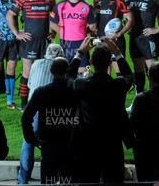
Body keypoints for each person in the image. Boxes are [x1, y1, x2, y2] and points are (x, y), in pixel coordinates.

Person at [66, 37, 134, 183]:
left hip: (88, 144)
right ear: (110, 63)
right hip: (112, 144)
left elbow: (68, 76)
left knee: (87, 181)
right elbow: (129, 76)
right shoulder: (118, 85)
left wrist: (80, 53)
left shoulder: (82, 85)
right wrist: (117, 52)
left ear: (91, 63)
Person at [22, 56, 77, 184]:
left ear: (51, 71)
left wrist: (32, 140)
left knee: (48, 182)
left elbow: (26, 116)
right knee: (68, 182)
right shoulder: (74, 90)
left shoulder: (42, 91)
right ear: (67, 69)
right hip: (69, 144)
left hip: (49, 145)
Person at [6, 0, 56, 108]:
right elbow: (10, 15)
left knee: (46, 72)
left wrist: (54, 32)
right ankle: (24, 104)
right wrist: (17, 33)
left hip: (44, 42)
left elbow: (55, 18)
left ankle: (43, 101)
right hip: (29, 41)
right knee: (27, 71)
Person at [17, 43, 65, 184]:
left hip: (33, 106)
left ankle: (23, 178)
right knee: (53, 144)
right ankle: (55, 178)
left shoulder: (36, 64)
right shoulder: (59, 68)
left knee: (28, 142)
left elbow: (30, 84)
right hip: (47, 111)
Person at [50, 0, 96, 73]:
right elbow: (52, 23)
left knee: (83, 73)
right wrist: (65, 32)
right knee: (63, 72)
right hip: (65, 43)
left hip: (82, 43)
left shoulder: (87, 6)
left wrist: (80, 30)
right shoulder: (60, 5)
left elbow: (93, 25)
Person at [92, 0, 134, 75]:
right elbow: (96, 19)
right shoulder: (97, 0)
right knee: (103, 72)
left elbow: (131, 19)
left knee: (119, 71)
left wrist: (119, 34)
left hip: (116, 40)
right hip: (101, 40)